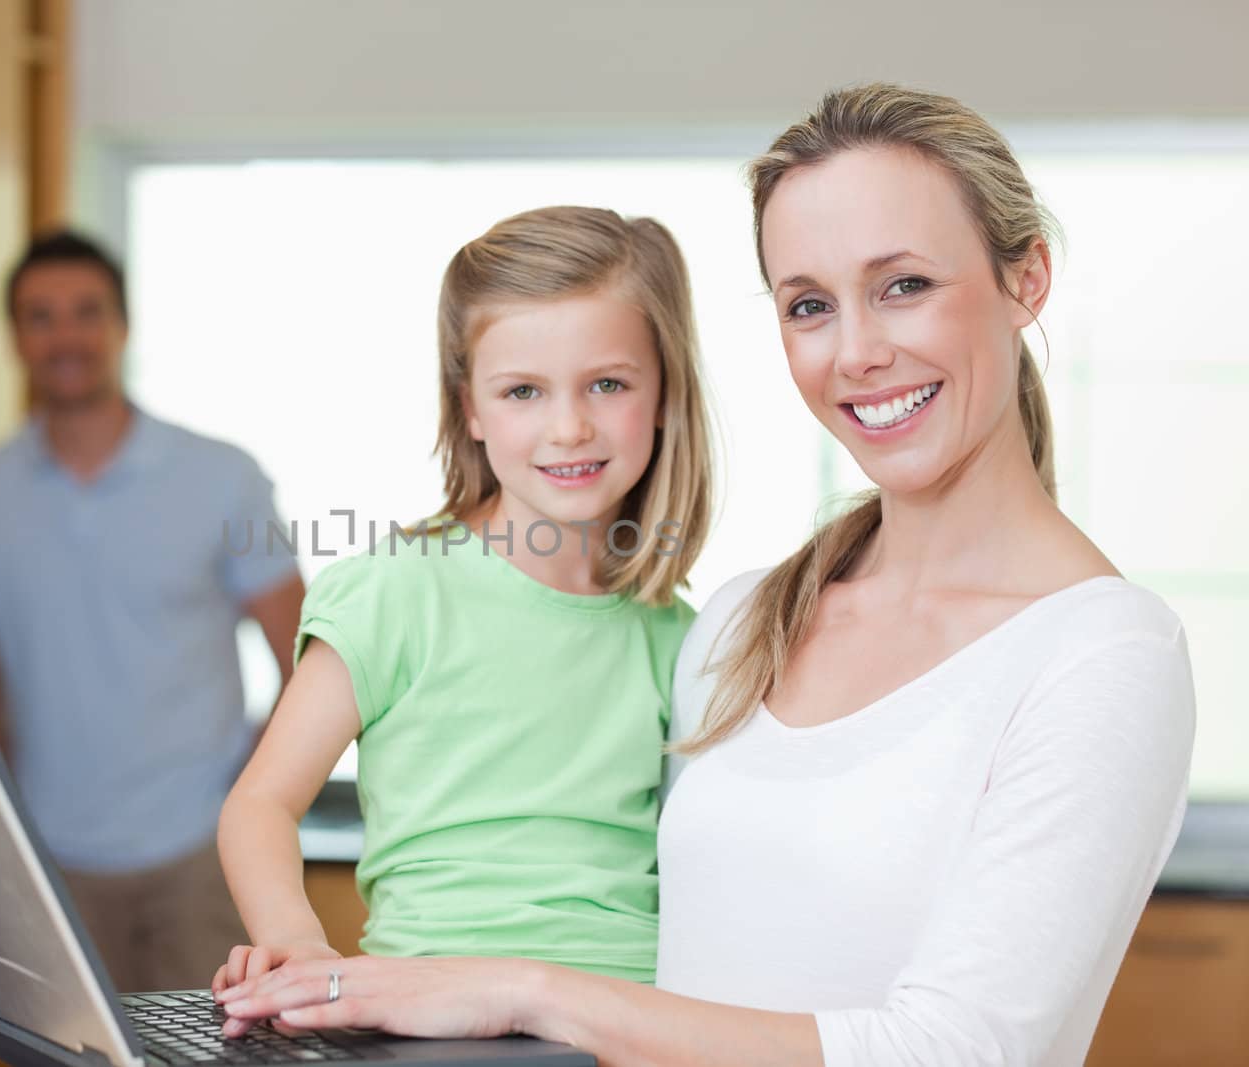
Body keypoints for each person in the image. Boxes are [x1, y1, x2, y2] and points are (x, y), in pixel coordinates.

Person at [214, 85, 1197, 1067]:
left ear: (1027, 279)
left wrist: (516, 987)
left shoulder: (1101, 654)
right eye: (808, 303)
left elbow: (954, 1048)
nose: (857, 350)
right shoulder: (733, 627)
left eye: (903, 284)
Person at [210, 206, 716, 1034]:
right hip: (427, 1022)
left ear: (663, 392)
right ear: (471, 409)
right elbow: (259, 804)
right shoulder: (395, 591)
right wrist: (299, 943)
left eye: (609, 383)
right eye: (523, 391)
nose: (569, 426)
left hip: (626, 1023)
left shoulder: (682, 635)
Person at [0, 229, 305, 991]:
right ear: (15, 337)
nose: (64, 334)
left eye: (85, 311)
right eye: (41, 316)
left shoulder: (221, 477)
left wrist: (249, 809)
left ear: (122, 326)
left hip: (198, 856)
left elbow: (305, 661)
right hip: (48, 861)